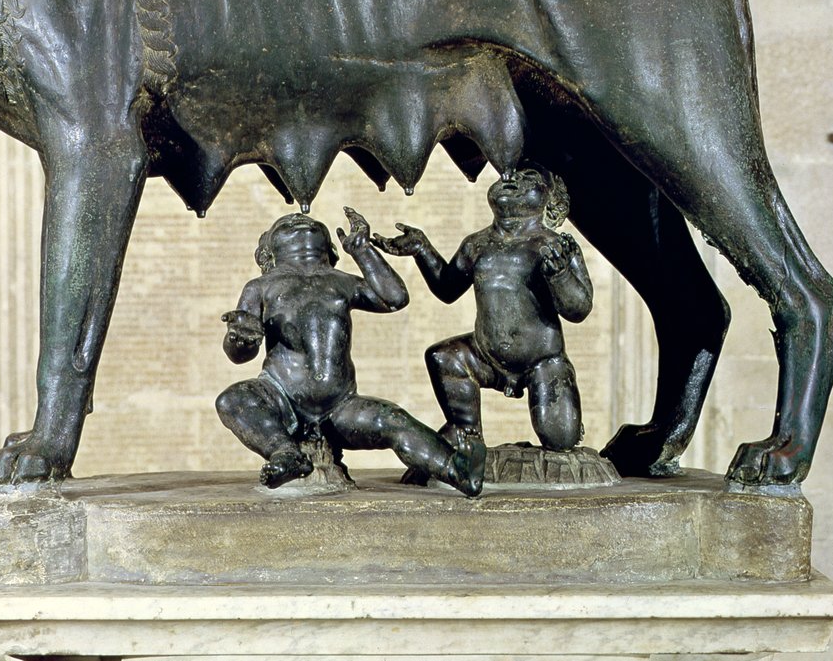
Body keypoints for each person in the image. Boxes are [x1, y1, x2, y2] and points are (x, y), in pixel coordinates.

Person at [217, 207, 482, 495]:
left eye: (306, 221)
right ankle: (285, 452)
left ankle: (457, 469)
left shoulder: (342, 281)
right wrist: (240, 339)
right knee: (233, 399)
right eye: (289, 223)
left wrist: (363, 250)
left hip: (341, 405)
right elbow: (239, 353)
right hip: (281, 396)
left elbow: (394, 297)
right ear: (268, 249)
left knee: (392, 420)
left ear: (328, 246)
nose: (299, 219)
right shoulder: (261, 287)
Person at [373, 166, 592, 480]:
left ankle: (562, 411)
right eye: (509, 175)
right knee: (444, 357)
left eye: (528, 178)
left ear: (549, 198)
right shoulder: (477, 244)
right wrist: (422, 249)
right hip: (484, 356)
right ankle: (466, 434)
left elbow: (579, 308)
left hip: (542, 362)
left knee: (561, 440)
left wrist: (559, 274)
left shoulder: (554, 246)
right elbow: (448, 288)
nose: (512, 179)